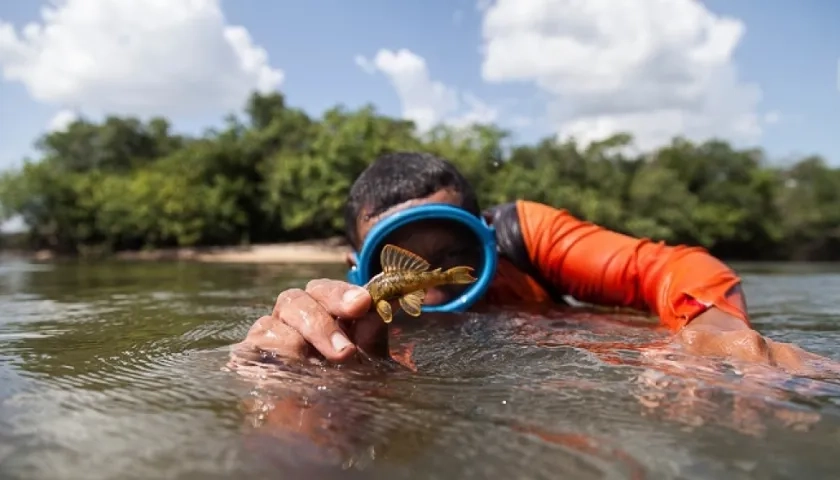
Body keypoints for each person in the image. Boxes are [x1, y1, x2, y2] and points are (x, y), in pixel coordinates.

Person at [231, 151, 835, 375]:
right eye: (409, 258)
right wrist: (306, 371)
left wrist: (714, 326)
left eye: (455, 251)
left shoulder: (529, 234)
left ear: (486, 234)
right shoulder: (364, 307)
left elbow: (674, 267)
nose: (436, 284)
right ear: (357, 264)